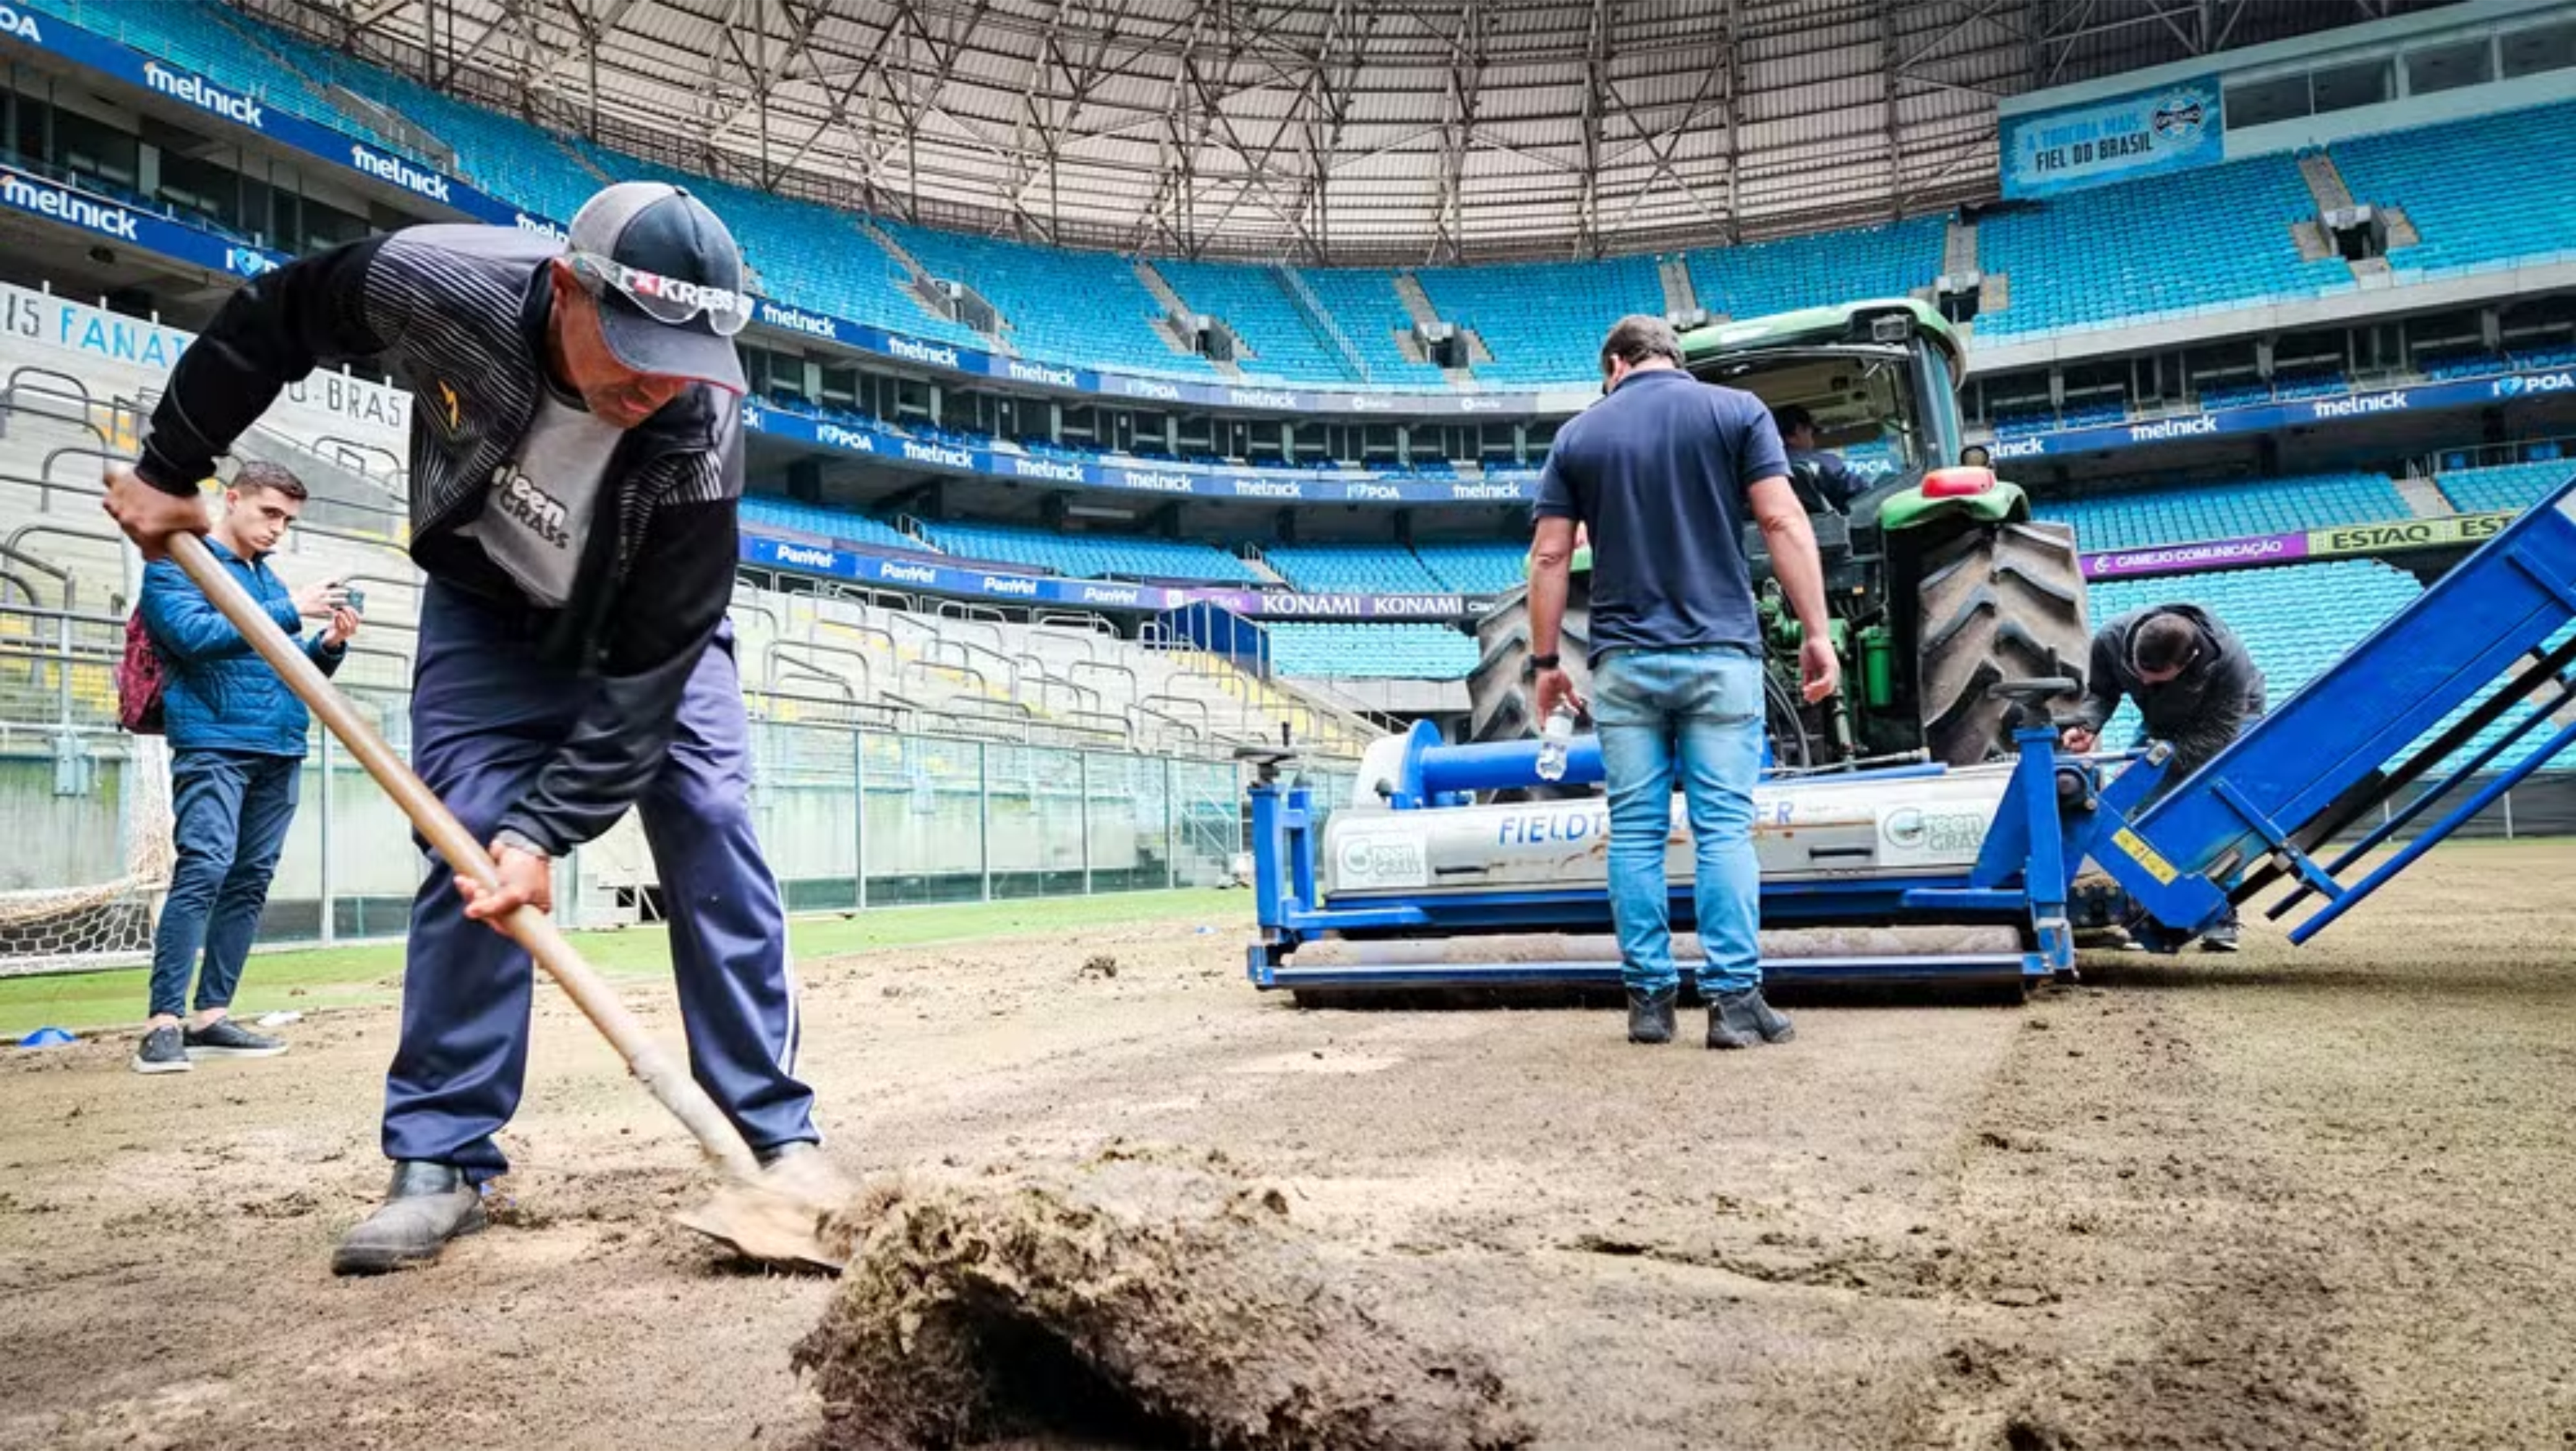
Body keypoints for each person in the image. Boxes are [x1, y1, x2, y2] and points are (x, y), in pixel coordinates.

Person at [103, 181, 824, 1273]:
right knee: (467, 840)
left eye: (680, 356)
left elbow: (648, 677)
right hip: (487, 610)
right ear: (571, 289)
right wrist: (170, 466)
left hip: (642, 627)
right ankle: (440, 1159)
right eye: (632, 345)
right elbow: (279, 316)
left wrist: (552, 833)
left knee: (711, 817)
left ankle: (776, 1140)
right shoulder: (441, 284)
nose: (653, 380)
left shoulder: (700, 420)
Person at [1527, 316, 1838, 1048]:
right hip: (1719, 655)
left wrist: (1546, 667)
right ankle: (1732, 1003)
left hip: (1623, 663)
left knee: (1634, 831)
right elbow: (1781, 521)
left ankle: (1649, 1003)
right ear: (1674, 357)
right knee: (1721, 827)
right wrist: (1816, 631)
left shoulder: (1578, 436)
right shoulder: (1737, 413)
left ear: (1614, 363)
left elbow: (1547, 558)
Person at [130, 462, 359, 1075]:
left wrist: (328, 646)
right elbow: (194, 637)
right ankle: (162, 1023)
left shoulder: (269, 579)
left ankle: (210, 1016)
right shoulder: (174, 564)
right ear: (231, 499)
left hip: (280, 744)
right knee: (203, 868)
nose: (278, 528)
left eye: (287, 520)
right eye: (270, 513)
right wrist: (290, 607)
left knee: (250, 879)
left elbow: (290, 668)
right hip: (212, 742)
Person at [2060, 603, 2267, 951]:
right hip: (2163, 722)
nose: (2142, 682)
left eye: (2155, 677)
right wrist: (2087, 724)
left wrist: (2152, 766)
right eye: (2138, 672)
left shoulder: (2229, 660)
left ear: (2188, 662)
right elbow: (2102, 692)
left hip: (2228, 722)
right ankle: (2140, 908)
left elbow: (2217, 736)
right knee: (2126, 811)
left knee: (2214, 815)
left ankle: (2219, 916)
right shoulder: (2112, 640)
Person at [1771, 403, 1867, 513]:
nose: (1813, 439)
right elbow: (1861, 491)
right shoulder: (1823, 463)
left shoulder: (1762, 474)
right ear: (1796, 432)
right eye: (1811, 432)